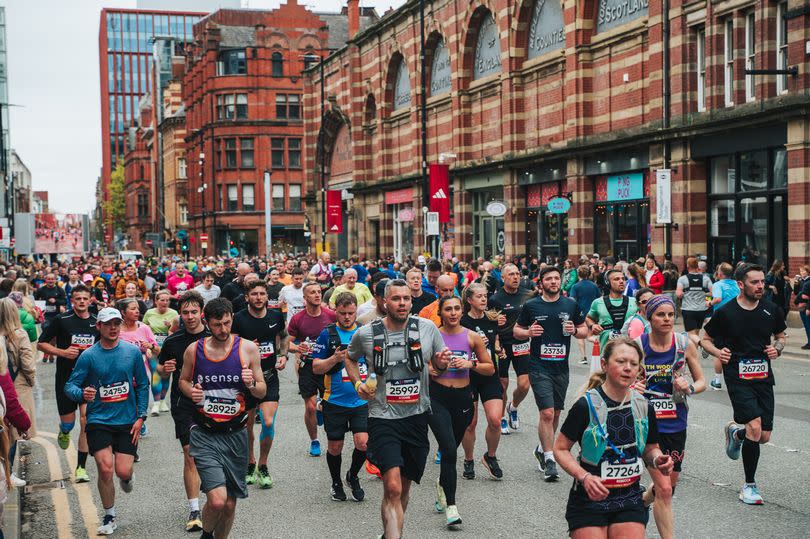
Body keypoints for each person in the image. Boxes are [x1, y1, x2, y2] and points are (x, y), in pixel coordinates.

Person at [345, 279, 451, 539]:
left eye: (406, 298)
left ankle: (390, 533)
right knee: (391, 487)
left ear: (411, 301)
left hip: (416, 416)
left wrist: (441, 362)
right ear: (384, 301)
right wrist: (359, 382)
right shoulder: (366, 332)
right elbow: (349, 357)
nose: (402, 303)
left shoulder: (427, 328)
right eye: (396, 298)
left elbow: (440, 366)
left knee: (403, 490)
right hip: (382, 417)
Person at [554, 338, 673, 538]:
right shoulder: (586, 406)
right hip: (589, 500)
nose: (628, 368)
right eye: (621, 361)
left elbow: (651, 448)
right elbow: (560, 448)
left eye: (633, 364)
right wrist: (584, 477)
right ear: (604, 364)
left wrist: (657, 459)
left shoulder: (644, 407)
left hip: (628, 498)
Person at [178, 298, 266, 539]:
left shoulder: (247, 348)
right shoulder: (194, 350)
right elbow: (183, 380)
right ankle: (206, 535)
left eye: (227, 323)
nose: (223, 329)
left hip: (236, 435)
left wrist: (251, 384)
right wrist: (190, 391)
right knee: (217, 501)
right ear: (207, 322)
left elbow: (262, 390)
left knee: (229, 505)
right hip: (205, 433)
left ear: (232, 319)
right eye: (217, 325)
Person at [701, 263, 786, 505]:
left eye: (761, 282)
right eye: (754, 282)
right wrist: (718, 352)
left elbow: (781, 337)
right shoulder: (726, 312)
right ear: (741, 284)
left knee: (764, 436)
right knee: (756, 428)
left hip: (763, 377)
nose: (760, 286)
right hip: (737, 376)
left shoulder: (771, 309)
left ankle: (736, 434)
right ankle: (749, 486)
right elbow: (704, 339)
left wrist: (776, 349)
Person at [64, 307, 149, 536]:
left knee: (122, 471)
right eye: (108, 324)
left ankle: (127, 476)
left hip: (127, 421)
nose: (113, 328)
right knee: (104, 468)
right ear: (98, 326)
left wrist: (141, 417)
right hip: (99, 419)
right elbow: (70, 386)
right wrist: (83, 394)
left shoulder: (131, 352)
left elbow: (142, 385)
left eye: (116, 324)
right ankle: (110, 515)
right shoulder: (89, 355)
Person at [633, 294, 704, 539]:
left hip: (676, 422)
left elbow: (701, 381)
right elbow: (616, 378)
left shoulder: (684, 344)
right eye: (660, 314)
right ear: (648, 317)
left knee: (669, 485)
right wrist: (633, 386)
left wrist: (689, 387)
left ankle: (643, 500)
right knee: (663, 489)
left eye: (671, 315)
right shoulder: (637, 345)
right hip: (646, 423)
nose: (666, 319)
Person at [514, 266, 587, 481]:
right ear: (542, 283)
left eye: (556, 278)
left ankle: (541, 449)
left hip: (561, 369)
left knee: (555, 413)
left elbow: (584, 330)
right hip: (538, 367)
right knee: (546, 413)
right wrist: (528, 332)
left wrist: (575, 330)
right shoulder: (531, 305)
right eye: (549, 279)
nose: (554, 282)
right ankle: (549, 459)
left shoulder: (570, 305)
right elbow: (517, 330)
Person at [429, 295, 493, 527]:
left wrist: (470, 364)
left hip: (463, 399)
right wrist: (431, 369)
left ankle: (442, 483)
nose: (453, 313)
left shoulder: (472, 337)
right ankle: (452, 508)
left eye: (457, 308)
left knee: (449, 450)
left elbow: (489, 368)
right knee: (448, 449)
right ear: (441, 313)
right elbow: (419, 363)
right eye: (448, 309)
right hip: (437, 398)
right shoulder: (432, 335)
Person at [157, 291, 209, 532]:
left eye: (194, 312)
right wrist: (165, 369)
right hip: (183, 404)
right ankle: (195, 509)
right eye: (185, 312)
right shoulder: (173, 341)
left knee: (209, 455)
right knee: (190, 454)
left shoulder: (214, 337)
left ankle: (211, 487)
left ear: (202, 313)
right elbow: (161, 369)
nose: (189, 317)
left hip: (213, 403)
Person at [311, 292, 369, 502]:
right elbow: (316, 368)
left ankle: (352, 476)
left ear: (356, 311)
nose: (346, 317)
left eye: (350, 313)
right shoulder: (327, 335)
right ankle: (336, 482)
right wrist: (334, 358)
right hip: (334, 400)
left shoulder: (364, 333)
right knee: (335, 446)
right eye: (342, 313)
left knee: (363, 443)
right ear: (335, 311)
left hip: (360, 400)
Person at [37, 284, 98, 483]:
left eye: (85, 298)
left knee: (85, 421)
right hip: (66, 378)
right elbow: (41, 343)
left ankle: (80, 468)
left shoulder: (96, 323)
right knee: (69, 423)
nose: (81, 301)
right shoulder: (61, 320)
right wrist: (62, 353)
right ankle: (63, 431)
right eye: (78, 298)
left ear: (91, 300)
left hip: (88, 380)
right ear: (72, 300)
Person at [231, 280, 288, 489]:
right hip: (246, 379)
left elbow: (283, 336)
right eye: (254, 294)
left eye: (262, 294)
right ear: (247, 297)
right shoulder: (238, 318)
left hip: (269, 376)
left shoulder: (275, 316)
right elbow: (231, 345)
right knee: (247, 425)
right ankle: (250, 462)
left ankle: (263, 465)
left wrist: (283, 355)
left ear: (266, 296)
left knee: (269, 422)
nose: (258, 298)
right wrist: (245, 347)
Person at [460, 283, 504, 480]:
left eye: (485, 296)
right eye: (479, 296)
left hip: (488, 374)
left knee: (495, 420)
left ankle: (490, 456)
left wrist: (497, 349)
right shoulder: (461, 322)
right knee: (470, 423)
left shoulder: (492, 319)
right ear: (469, 300)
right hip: (467, 376)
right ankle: (468, 460)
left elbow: (495, 340)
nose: (484, 300)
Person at [287, 281, 336, 456]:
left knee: (328, 405)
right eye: (312, 292)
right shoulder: (298, 318)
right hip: (307, 366)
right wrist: (296, 348)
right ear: (305, 297)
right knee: (309, 406)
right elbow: (287, 342)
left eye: (318, 292)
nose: (317, 294)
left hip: (327, 366)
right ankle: (314, 441)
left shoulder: (330, 316)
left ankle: (322, 412)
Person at [489, 263, 536, 435]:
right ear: (503, 278)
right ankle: (501, 417)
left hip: (522, 343)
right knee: (503, 384)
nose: (516, 277)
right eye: (511, 275)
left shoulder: (528, 295)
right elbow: (489, 323)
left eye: (517, 274)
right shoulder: (495, 299)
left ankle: (513, 407)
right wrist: (495, 327)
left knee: (524, 385)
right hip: (502, 345)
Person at [0, 298, 36, 486]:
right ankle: (8, 474)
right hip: (18, 385)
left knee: (3, 429)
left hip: (3, 387)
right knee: (13, 434)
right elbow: (28, 363)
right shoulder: (20, 334)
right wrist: (31, 380)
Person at [117, 298, 160, 424]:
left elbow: (158, 350)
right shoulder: (117, 330)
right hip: (121, 374)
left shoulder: (144, 328)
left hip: (141, 373)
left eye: (137, 308)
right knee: (124, 402)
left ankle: (139, 422)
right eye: (133, 308)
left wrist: (150, 346)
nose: (137, 311)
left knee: (139, 402)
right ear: (123, 312)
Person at [587, 269, 638, 353]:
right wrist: (593, 325)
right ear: (608, 283)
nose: (621, 281)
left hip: (629, 350)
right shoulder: (598, 302)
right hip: (606, 350)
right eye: (616, 279)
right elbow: (589, 318)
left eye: (623, 279)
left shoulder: (635, 302)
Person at [708, 263, 740, 390]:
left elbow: (718, 299)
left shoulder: (718, 284)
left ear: (720, 274)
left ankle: (717, 381)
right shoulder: (737, 284)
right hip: (737, 318)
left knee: (719, 350)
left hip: (721, 320)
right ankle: (739, 378)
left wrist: (709, 303)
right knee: (735, 348)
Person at [569, 266, 601, 365]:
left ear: (579, 274)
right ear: (588, 274)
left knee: (581, 336)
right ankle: (601, 343)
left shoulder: (576, 286)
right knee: (590, 335)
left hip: (581, 313)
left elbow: (572, 300)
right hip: (593, 313)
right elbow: (599, 298)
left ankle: (583, 357)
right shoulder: (594, 285)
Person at [676, 257, 712, 343]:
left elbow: (679, 294)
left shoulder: (682, 279)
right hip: (701, 310)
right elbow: (712, 293)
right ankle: (695, 353)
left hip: (688, 310)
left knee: (691, 335)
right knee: (696, 334)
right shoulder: (706, 278)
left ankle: (703, 345)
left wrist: (686, 293)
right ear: (697, 266)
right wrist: (703, 294)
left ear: (687, 266)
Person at [794, 265, 810, 350]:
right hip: (801, 306)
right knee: (806, 325)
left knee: (808, 325)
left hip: (806, 306)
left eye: (803, 271)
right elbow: (796, 292)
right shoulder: (801, 281)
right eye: (800, 271)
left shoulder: (809, 281)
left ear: (808, 272)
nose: (801, 273)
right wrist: (796, 283)